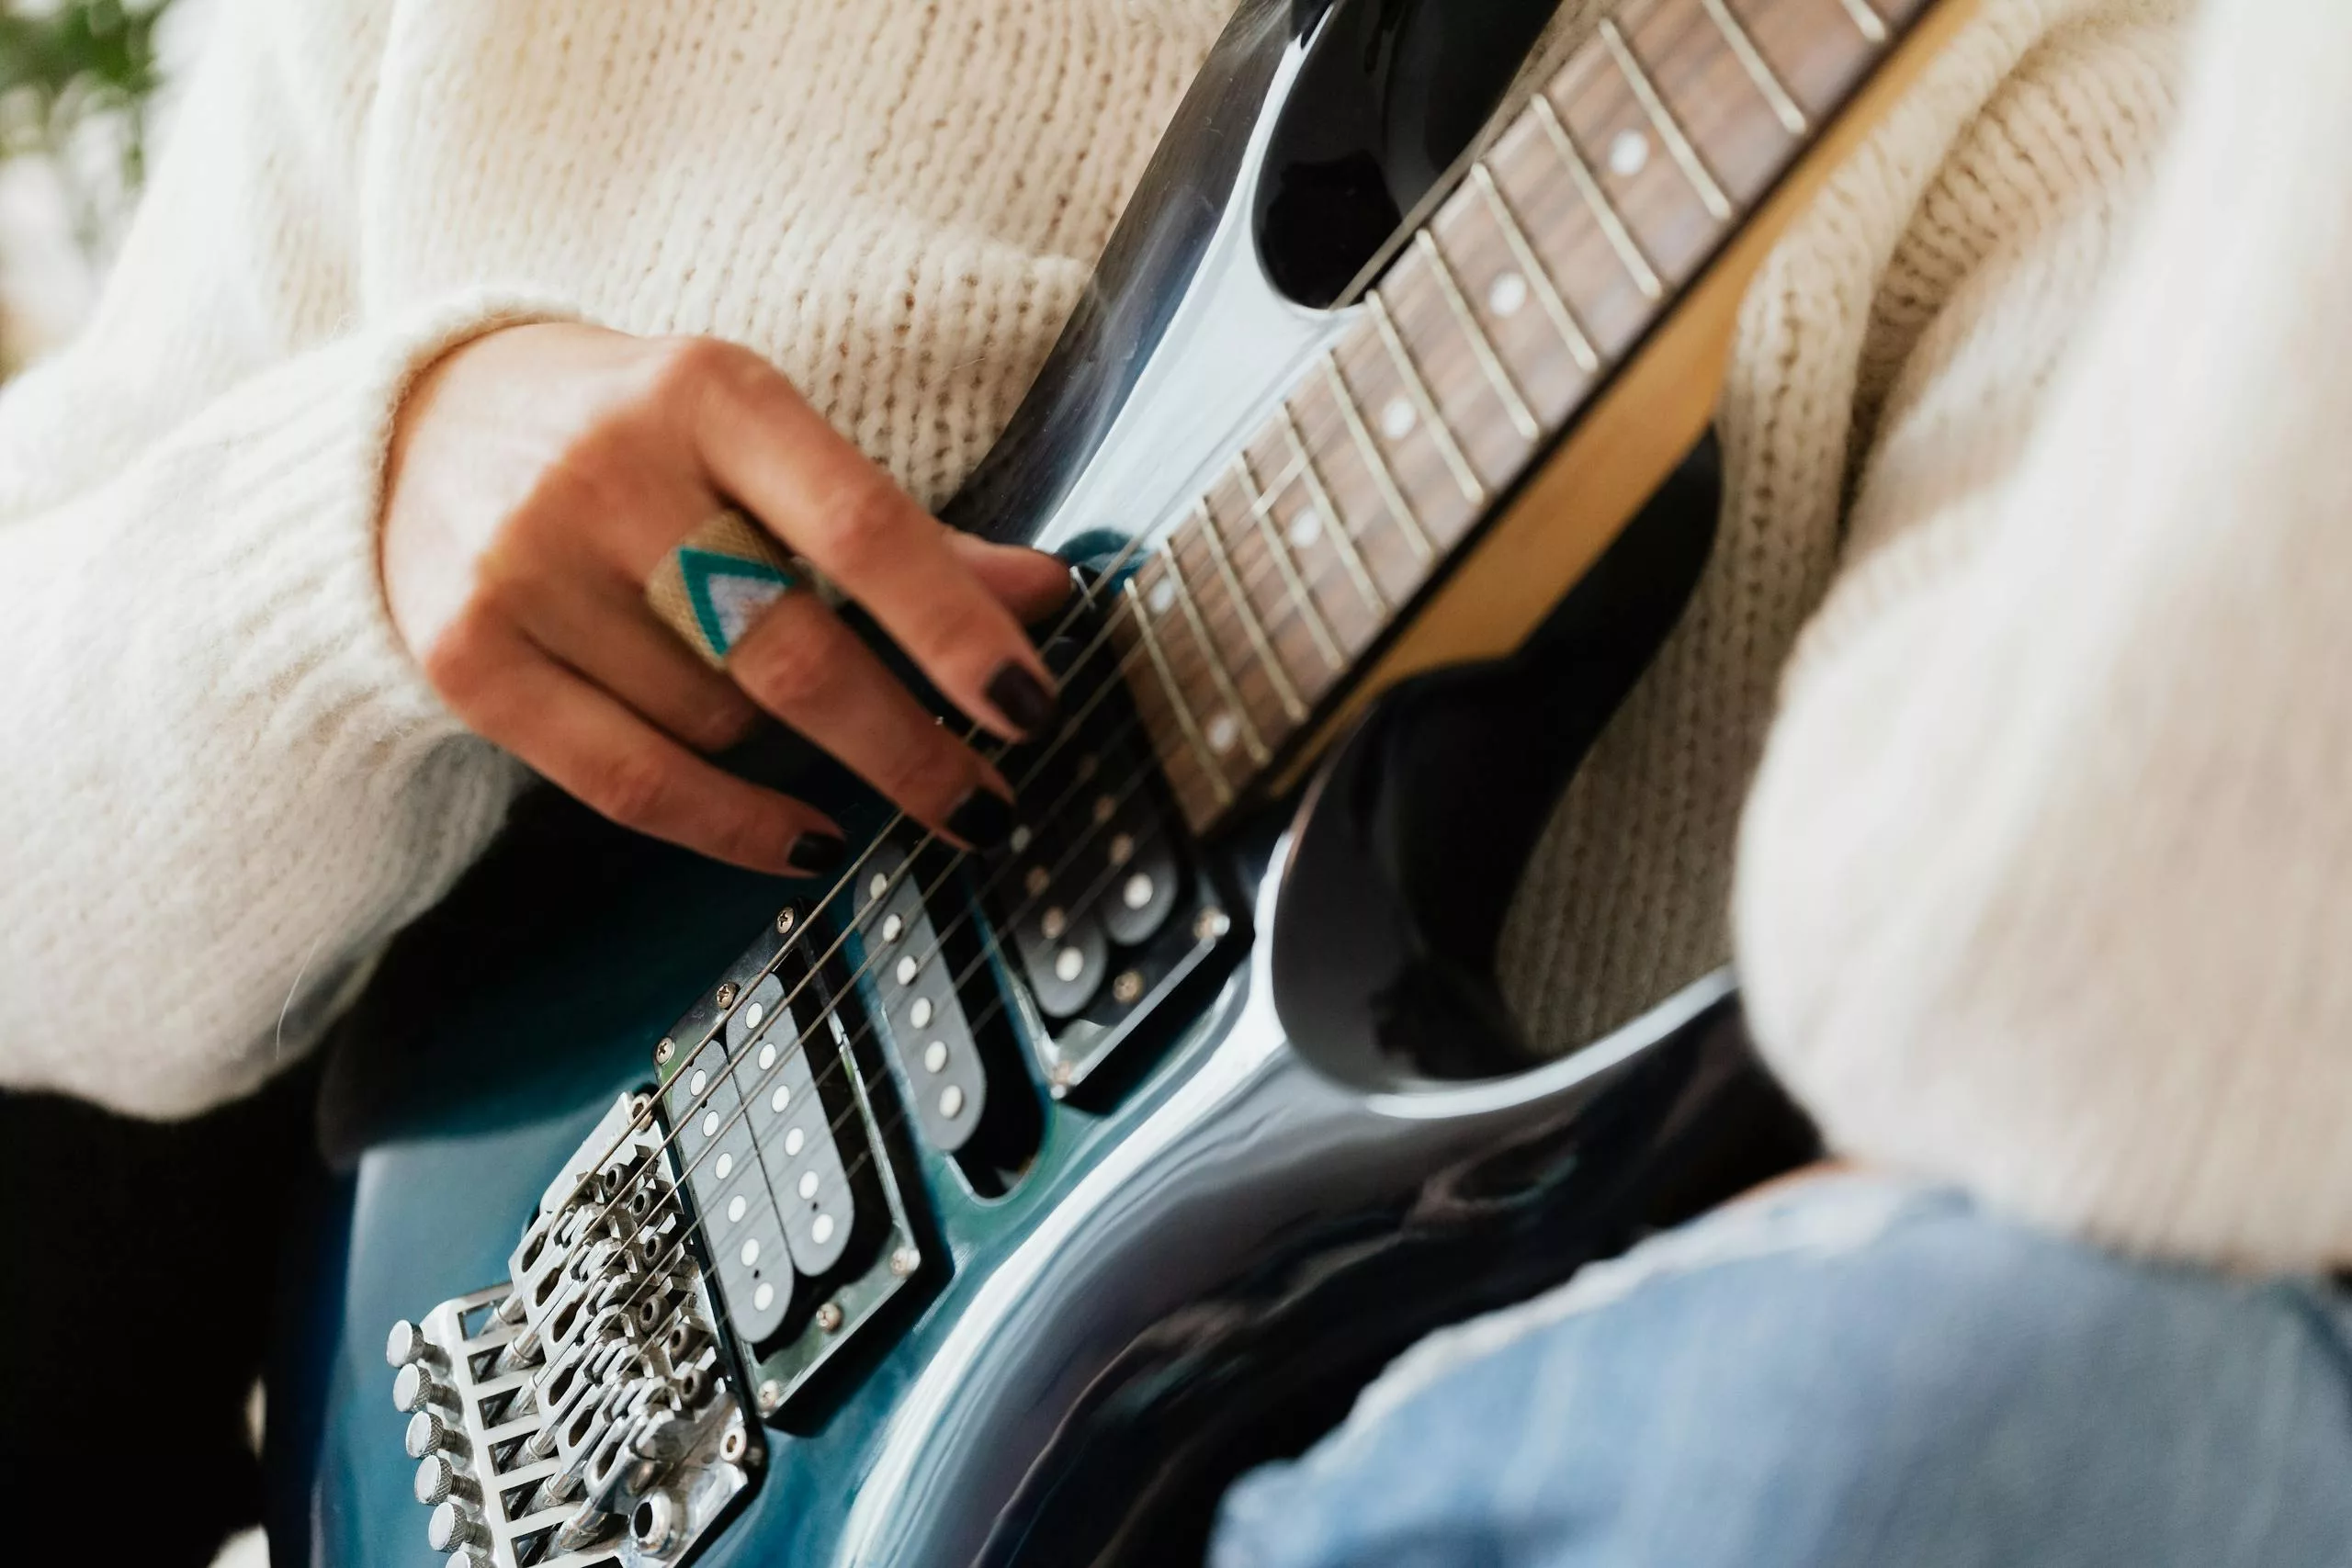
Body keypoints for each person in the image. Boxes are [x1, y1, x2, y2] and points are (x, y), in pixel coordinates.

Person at [5, 0, 2348, 1562]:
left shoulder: (2128, 75)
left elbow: (2073, 1095)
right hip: (443, 1392)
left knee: (2053, 1390)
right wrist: (364, 507)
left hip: (1384, 1467)